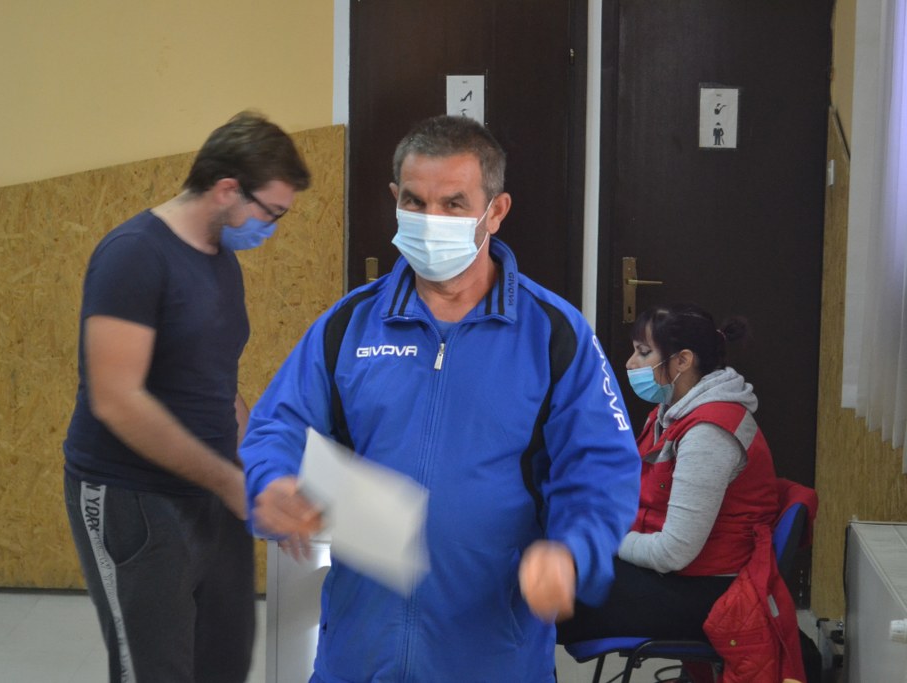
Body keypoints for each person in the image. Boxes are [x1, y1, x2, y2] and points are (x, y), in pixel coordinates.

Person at [241, 114, 641, 682]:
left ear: (495, 212)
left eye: (454, 204)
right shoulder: (349, 325)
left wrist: (575, 551)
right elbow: (276, 425)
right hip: (360, 655)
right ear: (395, 200)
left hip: (492, 655)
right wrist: (271, 479)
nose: (431, 220)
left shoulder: (553, 334)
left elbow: (600, 466)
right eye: (415, 201)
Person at [62, 110, 310, 683]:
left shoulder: (221, 261)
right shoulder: (133, 255)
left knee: (223, 661)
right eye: (271, 213)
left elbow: (216, 384)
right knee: (157, 670)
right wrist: (230, 482)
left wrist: (260, 470)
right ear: (227, 189)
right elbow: (116, 399)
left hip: (210, 495)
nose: (270, 228)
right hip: (133, 500)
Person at [557, 303, 807, 681]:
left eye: (644, 352)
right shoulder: (669, 414)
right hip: (678, 577)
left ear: (683, 361)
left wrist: (604, 538)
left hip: (706, 592)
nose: (630, 363)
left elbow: (672, 552)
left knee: (536, 588)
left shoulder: (709, 432)